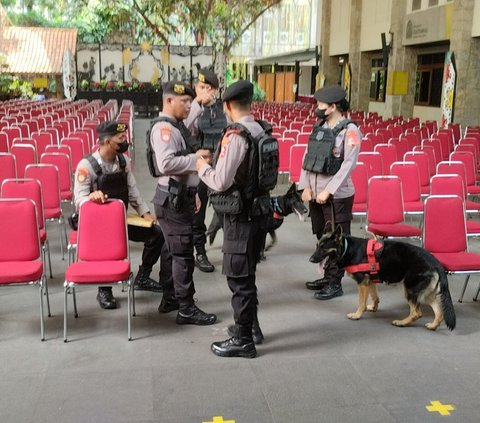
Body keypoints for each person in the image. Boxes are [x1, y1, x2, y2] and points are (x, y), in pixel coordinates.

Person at [196, 80, 275, 358]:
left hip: (240, 217)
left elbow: (220, 180)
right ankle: (251, 328)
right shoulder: (261, 129)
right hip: (259, 214)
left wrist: (201, 167)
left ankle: (243, 339)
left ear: (228, 106)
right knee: (248, 273)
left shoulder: (236, 136)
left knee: (239, 279)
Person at [74, 121, 170, 310]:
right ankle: (104, 290)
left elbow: (133, 192)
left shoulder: (123, 162)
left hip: (121, 219)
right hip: (98, 225)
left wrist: (145, 213)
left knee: (157, 235)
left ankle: (143, 276)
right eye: (121, 138)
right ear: (107, 141)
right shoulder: (87, 166)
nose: (125, 141)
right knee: (106, 248)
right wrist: (91, 198)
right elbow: (79, 200)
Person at [150, 81, 217, 325]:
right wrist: (196, 160)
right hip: (173, 199)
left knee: (171, 250)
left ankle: (170, 297)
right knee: (182, 254)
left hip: (179, 194)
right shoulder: (164, 129)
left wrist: (194, 191)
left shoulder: (175, 126)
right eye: (184, 101)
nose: (189, 105)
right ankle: (186, 307)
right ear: (169, 101)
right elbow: (166, 164)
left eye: (191, 101)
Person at [300, 85, 362, 300]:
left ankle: (335, 282)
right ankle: (327, 276)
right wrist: (305, 186)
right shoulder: (319, 127)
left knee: (337, 241)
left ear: (333, 106)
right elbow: (307, 158)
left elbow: (348, 165)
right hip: (316, 194)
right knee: (322, 236)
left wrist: (329, 190)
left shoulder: (350, 131)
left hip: (338, 196)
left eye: (320, 105)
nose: (317, 108)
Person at [184, 68, 228, 272]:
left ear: (216, 91)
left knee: (227, 209)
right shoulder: (190, 108)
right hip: (200, 170)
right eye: (201, 87)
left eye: (208, 89)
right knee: (198, 213)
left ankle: (231, 250)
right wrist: (195, 105)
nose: (204, 92)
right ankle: (199, 252)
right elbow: (183, 129)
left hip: (221, 168)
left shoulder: (224, 109)